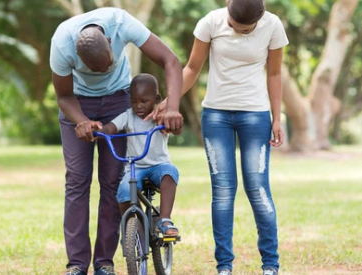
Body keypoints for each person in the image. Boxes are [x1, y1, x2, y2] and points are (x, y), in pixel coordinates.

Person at [148, 0, 288, 274]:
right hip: (216, 117)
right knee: (223, 193)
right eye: (237, 28)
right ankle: (224, 266)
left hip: (255, 115)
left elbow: (274, 73)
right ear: (227, 8)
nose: (243, 32)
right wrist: (170, 101)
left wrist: (277, 118)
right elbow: (192, 68)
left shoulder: (272, 25)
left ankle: (270, 266)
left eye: (249, 29)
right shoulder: (210, 22)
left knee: (258, 190)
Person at [49, 7, 184, 275]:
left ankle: (104, 264)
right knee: (77, 182)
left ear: (111, 41)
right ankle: (76, 265)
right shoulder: (61, 42)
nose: (101, 73)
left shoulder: (121, 22)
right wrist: (81, 121)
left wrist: (172, 107)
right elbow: (63, 97)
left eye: (107, 65)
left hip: (118, 102)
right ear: (76, 56)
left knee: (114, 182)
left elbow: (171, 61)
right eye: (93, 69)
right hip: (77, 103)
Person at [96, 73, 181, 237]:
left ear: (156, 99)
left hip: (159, 165)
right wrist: (99, 131)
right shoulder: (128, 116)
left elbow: (176, 129)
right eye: (134, 101)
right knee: (124, 190)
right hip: (135, 167)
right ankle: (134, 228)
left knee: (170, 173)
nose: (138, 106)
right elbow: (110, 128)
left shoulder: (160, 117)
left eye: (144, 101)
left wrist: (174, 123)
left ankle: (165, 218)